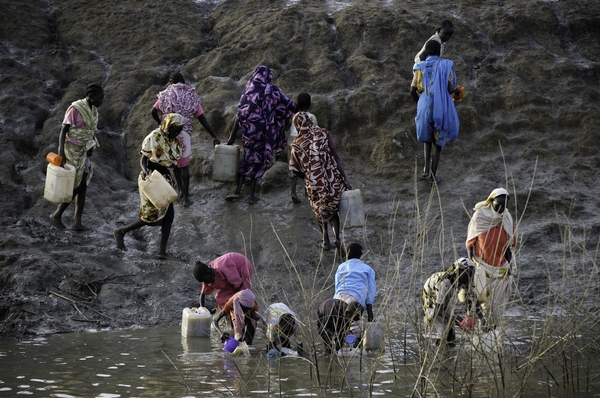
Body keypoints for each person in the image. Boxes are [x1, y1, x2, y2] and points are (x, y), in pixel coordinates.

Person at [112, 113, 184, 259]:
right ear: (168, 126)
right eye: (176, 130)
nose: (178, 133)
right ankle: (121, 231)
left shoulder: (175, 142)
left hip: (165, 181)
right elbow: (144, 159)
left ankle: (162, 251)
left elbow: (175, 167)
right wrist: (145, 172)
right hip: (151, 178)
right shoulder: (154, 137)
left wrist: (180, 187)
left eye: (180, 130)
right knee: (150, 217)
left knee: (169, 216)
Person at [226, 65, 298, 204]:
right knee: (258, 160)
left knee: (248, 157)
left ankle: (237, 191)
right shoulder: (271, 89)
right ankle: (252, 195)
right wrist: (297, 109)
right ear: (267, 76)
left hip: (247, 130)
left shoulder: (247, 89)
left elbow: (239, 112)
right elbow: (287, 103)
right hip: (261, 130)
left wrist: (232, 136)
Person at [152, 72, 220, 207]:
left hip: (169, 133)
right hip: (184, 133)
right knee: (184, 165)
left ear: (171, 82)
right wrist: (213, 135)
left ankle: (180, 191)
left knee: (175, 163)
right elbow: (201, 118)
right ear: (183, 82)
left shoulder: (166, 94)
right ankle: (186, 199)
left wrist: (162, 124)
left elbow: (153, 111)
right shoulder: (191, 95)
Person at [288, 112, 351, 252]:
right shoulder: (323, 133)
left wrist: (308, 174)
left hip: (314, 183)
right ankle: (337, 238)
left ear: (297, 125)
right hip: (332, 178)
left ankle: (326, 241)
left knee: (320, 211)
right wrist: (345, 179)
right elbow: (336, 156)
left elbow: (294, 169)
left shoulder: (296, 145)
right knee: (333, 209)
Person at [50, 84, 104, 231]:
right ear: (91, 97)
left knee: (83, 186)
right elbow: (64, 130)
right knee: (76, 186)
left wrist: (90, 147)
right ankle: (56, 215)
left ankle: (77, 222)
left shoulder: (93, 110)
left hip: (83, 150)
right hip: (71, 150)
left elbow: (89, 131)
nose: (101, 101)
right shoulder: (76, 108)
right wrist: (61, 152)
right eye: (99, 98)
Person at [410, 40, 461, 185]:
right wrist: (457, 90)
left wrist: (421, 105)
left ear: (426, 52)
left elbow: (412, 90)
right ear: (439, 52)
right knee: (437, 142)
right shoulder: (445, 66)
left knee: (427, 139)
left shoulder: (419, 67)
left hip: (424, 104)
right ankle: (433, 175)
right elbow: (450, 89)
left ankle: (426, 171)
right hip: (440, 106)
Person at [466, 188, 516, 329]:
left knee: (496, 306)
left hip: (501, 268)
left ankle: (492, 329)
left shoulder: (506, 218)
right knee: (479, 301)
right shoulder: (479, 217)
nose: (501, 209)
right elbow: (470, 243)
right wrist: (471, 265)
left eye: (503, 206)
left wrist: (510, 266)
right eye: (498, 205)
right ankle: (479, 329)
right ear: (490, 202)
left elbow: (509, 245)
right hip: (481, 266)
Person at [422, 257, 482, 346]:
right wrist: (456, 318)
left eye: (472, 273)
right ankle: (441, 349)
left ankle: (449, 346)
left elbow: (474, 299)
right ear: (458, 271)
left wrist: (483, 319)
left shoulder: (465, 279)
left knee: (450, 331)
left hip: (443, 300)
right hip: (432, 296)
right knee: (443, 331)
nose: (470, 276)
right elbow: (438, 310)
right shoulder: (445, 283)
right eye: (467, 273)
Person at [333, 243, 376, 340]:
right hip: (355, 301)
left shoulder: (341, 267)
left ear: (346, 255)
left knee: (340, 328)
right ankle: (356, 348)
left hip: (338, 299)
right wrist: (370, 314)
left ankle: (339, 349)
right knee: (355, 330)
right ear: (360, 255)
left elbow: (337, 286)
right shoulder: (368, 269)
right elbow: (371, 292)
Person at [288, 93, 318, 204]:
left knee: (294, 168)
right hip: (305, 143)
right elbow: (314, 130)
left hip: (292, 141)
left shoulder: (294, 116)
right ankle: (307, 191)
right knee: (307, 167)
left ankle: (293, 192)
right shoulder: (312, 117)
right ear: (310, 104)